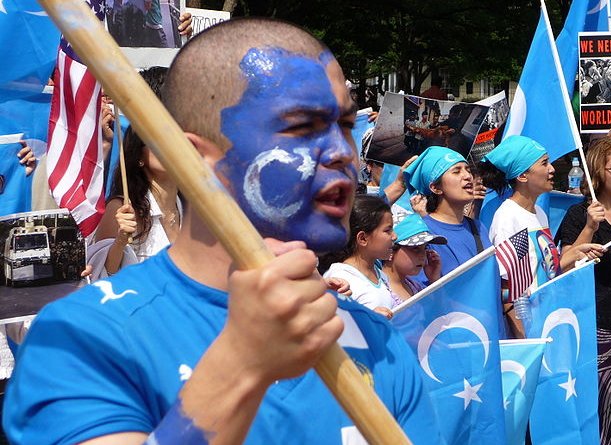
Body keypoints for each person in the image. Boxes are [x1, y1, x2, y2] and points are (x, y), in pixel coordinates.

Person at [3, 18, 441, 444]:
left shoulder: (378, 342)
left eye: (344, 126)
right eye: (302, 127)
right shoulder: (84, 338)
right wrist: (241, 363)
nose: (341, 153)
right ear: (193, 161)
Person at [556, 138, 611, 445]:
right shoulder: (580, 215)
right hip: (594, 331)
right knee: (596, 415)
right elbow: (564, 266)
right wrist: (591, 228)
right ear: (597, 173)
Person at [478, 135, 605, 337]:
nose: (552, 169)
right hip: (530, 329)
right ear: (522, 176)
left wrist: (583, 241)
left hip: (548, 319)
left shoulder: (539, 213)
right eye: (544, 163)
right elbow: (509, 289)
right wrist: (524, 340)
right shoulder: (509, 219)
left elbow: (550, 270)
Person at [88, 67, 183, 279]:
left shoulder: (187, 208)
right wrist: (121, 241)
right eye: (159, 142)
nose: (173, 148)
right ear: (138, 156)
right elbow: (102, 276)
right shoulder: (123, 208)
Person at [404, 146, 487, 276]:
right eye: (456, 171)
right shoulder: (422, 234)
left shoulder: (479, 227)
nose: (467, 176)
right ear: (435, 188)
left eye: (468, 170)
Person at [321, 195, 396, 318]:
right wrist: (368, 319)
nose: (394, 236)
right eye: (387, 230)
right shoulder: (340, 280)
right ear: (362, 238)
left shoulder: (380, 275)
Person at [383, 212, 445, 306]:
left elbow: (441, 312)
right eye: (415, 248)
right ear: (391, 249)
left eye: (425, 248)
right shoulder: (381, 291)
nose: (422, 255)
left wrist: (434, 280)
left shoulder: (414, 287)